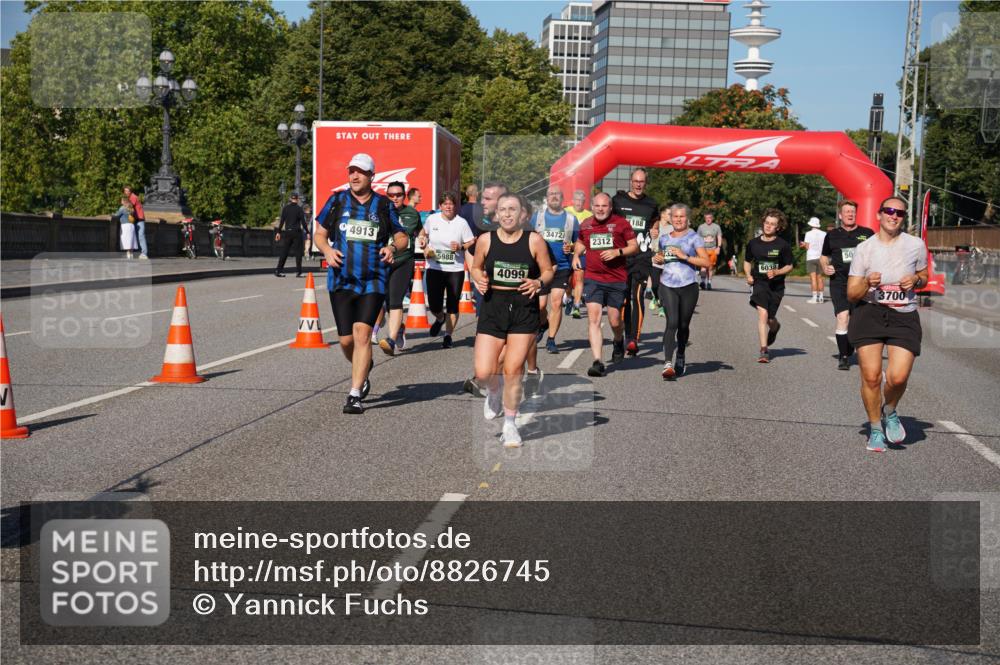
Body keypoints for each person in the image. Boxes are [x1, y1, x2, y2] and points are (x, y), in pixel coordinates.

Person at [313, 153, 408, 414]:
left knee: (362, 334)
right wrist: (327, 251)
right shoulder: (336, 201)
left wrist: (391, 247)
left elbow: (402, 238)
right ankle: (363, 368)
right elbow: (320, 234)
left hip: (373, 279)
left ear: (371, 176)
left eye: (360, 172)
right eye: (351, 171)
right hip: (341, 279)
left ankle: (354, 394)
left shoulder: (382, 205)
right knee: (346, 341)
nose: (354, 176)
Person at [470, 193, 554, 447]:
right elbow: (475, 266)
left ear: (523, 215)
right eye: (503, 210)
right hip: (493, 306)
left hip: (523, 308)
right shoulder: (485, 240)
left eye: (513, 210)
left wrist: (539, 282)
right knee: (484, 372)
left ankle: (510, 424)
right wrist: (478, 277)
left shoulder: (535, 241)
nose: (507, 214)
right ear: (496, 215)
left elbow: (548, 270)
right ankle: (494, 391)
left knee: (513, 369)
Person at [846, 197, 928, 452]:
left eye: (900, 213)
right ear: (879, 215)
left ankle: (889, 410)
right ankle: (875, 429)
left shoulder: (916, 245)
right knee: (871, 377)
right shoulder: (865, 249)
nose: (894, 216)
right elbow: (851, 294)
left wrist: (915, 280)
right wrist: (867, 283)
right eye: (890, 211)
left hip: (903, 315)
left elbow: (925, 277)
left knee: (898, 376)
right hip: (869, 313)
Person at [572, 192, 639, 377]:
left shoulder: (621, 224)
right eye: (597, 206)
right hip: (593, 278)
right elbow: (580, 242)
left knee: (614, 320)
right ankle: (597, 362)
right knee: (593, 318)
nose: (600, 209)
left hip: (616, 279)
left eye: (604, 206)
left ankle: (619, 339)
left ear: (610, 207)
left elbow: (634, 246)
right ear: (592, 207)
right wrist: (576, 255)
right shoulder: (585, 224)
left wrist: (617, 252)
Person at [652, 204, 711, 379]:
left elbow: (706, 263)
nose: (678, 219)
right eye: (675, 216)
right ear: (670, 218)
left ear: (687, 219)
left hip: (688, 286)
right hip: (668, 284)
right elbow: (662, 259)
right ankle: (667, 364)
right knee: (672, 323)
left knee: (683, 326)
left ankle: (681, 354)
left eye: (682, 217)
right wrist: (658, 258)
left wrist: (685, 256)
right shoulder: (664, 238)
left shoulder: (694, 238)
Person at [461, 181, 509, 396]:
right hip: (488, 294)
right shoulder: (484, 224)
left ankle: (492, 382)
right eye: (482, 198)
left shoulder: (519, 225)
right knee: (488, 339)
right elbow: (472, 250)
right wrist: (476, 274)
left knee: (507, 343)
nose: (482, 202)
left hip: (513, 295)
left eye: (487, 198)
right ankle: (487, 380)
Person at [820, 200, 872, 370]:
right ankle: (843, 357)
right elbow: (824, 256)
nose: (850, 214)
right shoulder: (832, 235)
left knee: (857, 321)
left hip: (860, 283)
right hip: (839, 282)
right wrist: (825, 267)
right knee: (842, 318)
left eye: (852, 212)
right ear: (840, 215)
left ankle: (848, 345)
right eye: (847, 212)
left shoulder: (867, 233)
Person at [612, 168, 658, 356]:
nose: (638, 184)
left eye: (642, 181)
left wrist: (654, 230)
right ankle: (624, 335)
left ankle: (634, 339)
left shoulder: (651, 204)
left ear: (645, 183)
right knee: (623, 300)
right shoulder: (618, 201)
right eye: (636, 181)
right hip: (622, 257)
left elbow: (655, 221)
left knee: (637, 296)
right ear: (631, 182)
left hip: (642, 256)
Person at [420, 191, 475, 349]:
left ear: (455, 206)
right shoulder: (432, 219)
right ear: (440, 206)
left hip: (455, 269)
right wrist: (423, 241)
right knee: (434, 304)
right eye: (445, 204)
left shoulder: (461, 222)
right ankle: (440, 318)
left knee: (453, 304)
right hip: (435, 267)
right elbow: (424, 233)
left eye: (451, 204)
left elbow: (471, 241)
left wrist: (461, 246)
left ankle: (448, 335)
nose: (448, 207)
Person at [377, 181, 423, 356]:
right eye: (391, 195)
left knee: (395, 300)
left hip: (403, 261)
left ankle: (390, 339)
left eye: (398, 195)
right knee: (386, 301)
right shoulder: (379, 211)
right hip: (382, 262)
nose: (395, 198)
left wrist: (424, 239)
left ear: (405, 196)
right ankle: (399, 328)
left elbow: (419, 230)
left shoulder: (411, 213)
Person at [743, 209, 795, 363]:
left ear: (778, 227)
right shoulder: (753, 243)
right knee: (763, 314)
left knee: (770, 318)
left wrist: (778, 272)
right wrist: (748, 275)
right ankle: (764, 350)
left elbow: (789, 266)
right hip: (759, 283)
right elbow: (747, 261)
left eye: (772, 224)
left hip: (776, 286)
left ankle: (775, 327)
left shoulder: (782, 245)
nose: (768, 226)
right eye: (767, 223)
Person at [534, 185, 578, 354]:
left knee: (557, 302)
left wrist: (572, 248)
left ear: (562, 198)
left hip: (562, 266)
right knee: (540, 305)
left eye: (557, 195)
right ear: (547, 197)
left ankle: (551, 340)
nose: (554, 197)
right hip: (541, 267)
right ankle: (543, 324)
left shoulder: (571, 219)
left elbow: (578, 244)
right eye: (551, 194)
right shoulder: (537, 217)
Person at [564, 189, 593, 319]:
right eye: (577, 200)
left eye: (581, 201)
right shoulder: (566, 212)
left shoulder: (589, 215)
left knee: (579, 277)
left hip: (581, 251)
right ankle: (569, 297)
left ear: (584, 202)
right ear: (573, 201)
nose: (579, 203)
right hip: (567, 251)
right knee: (568, 280)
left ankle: (576, 306)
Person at [275, 192, 309, 278]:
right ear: (297, 199)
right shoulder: (299, 209)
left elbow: (282, 221)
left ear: (290, 199)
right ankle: (299, 272)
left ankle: (278, 270)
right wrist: (307, 232)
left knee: (284, 252)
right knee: (298, 253)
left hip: (288, 232)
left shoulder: (285, 208)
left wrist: (278, 232)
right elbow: (303, 222)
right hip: (296, 232)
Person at [801, 216, 827, 303]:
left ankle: (814, 298)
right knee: (820, 278)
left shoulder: (808, 234)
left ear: (811, 224)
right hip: (821, 257)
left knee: (813, 278)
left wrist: (803, 245)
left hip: (811, 257)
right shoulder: (824, 234)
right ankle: (821, 297)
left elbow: (807, 247)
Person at [697, 212, 723, 290]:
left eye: (709, 218)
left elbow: (719, 237)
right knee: (703, 266)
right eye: (706, 218)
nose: (708, 219)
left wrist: (718, 247)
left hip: (713, 249)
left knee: (710, 267)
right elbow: (697, 238)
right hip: (703, 249)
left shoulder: (716, 227)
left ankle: (709, 282)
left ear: (712, 218)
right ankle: (702, 282)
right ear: (705, 218)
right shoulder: (701, 227)